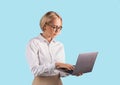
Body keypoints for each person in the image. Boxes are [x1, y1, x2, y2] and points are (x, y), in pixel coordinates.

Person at [26, 11, 82, 85]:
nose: (57, 30)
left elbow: (61, 73)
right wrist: (56, 65)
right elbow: (35, 70)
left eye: (59, 27)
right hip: (41, 82)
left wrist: (71, 72)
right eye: (54, 27)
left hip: (57, 82)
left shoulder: (59, 45)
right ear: (45, 25)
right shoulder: (34, 43)